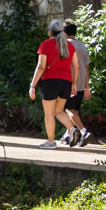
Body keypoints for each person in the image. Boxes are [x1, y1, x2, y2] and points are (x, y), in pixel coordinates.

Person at [29, 19, 88, 148]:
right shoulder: (70, 46)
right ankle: (72, 129)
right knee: (59, 111)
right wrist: (73, 84)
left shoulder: (45, 45)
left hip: (50, 82)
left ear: (50, 31)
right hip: (66, 82)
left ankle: (51, 142)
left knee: (49, 113)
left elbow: (41, 66)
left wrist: (32, 85)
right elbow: (76, 66)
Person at [61, 22, 92, 146]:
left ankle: (83, 132)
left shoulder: (66, 45)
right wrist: (86, 86)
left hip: (69, 81)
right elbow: (86, 67)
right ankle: (69, 136)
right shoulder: (82, 46)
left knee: (68, 109)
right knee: (75, 111)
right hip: (80, 81)